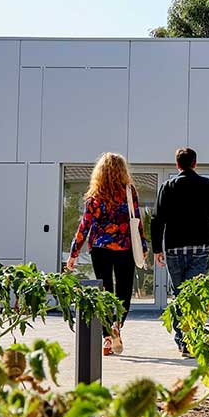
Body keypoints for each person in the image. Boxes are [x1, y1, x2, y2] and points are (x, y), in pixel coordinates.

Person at [66, 152, 148, 356]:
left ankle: (107, 338)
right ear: (122, 170)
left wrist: (74, 253)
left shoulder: (94, 196)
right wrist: (144, 247)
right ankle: (117, 324)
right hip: (124, 248)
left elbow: (84, 226)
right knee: (124, 291)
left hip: (100, 249)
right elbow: (136, 220)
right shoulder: (129, 191)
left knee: (104, 291)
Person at [151, 147, 209, 356]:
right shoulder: (208, 186)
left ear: (177, 165)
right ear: (194, 163)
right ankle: (192, 339)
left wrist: (157, 249)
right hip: (200, 248)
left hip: (174, 249)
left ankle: (183, 341)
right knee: (195, 295)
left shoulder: (167, 187)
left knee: (180, 295)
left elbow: (157, 219)